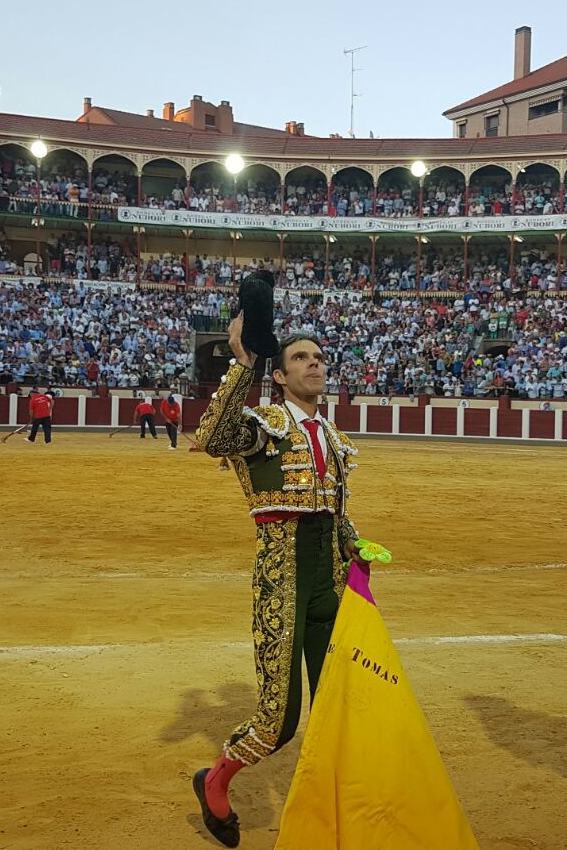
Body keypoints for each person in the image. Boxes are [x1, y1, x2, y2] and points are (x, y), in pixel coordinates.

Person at [189, 313, 371, 849]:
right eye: (300, 358)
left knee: (343, 705)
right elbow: (213, 435)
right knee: (279, 718)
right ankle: (214, 780)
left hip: (329, 584)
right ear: (281, 377)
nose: (313, 363)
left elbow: (334, 513)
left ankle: (333, 808)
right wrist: (243, 362)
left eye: (317, 357)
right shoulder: (264, 427)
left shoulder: (332, 436)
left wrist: (354, 542)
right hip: (282, 582)